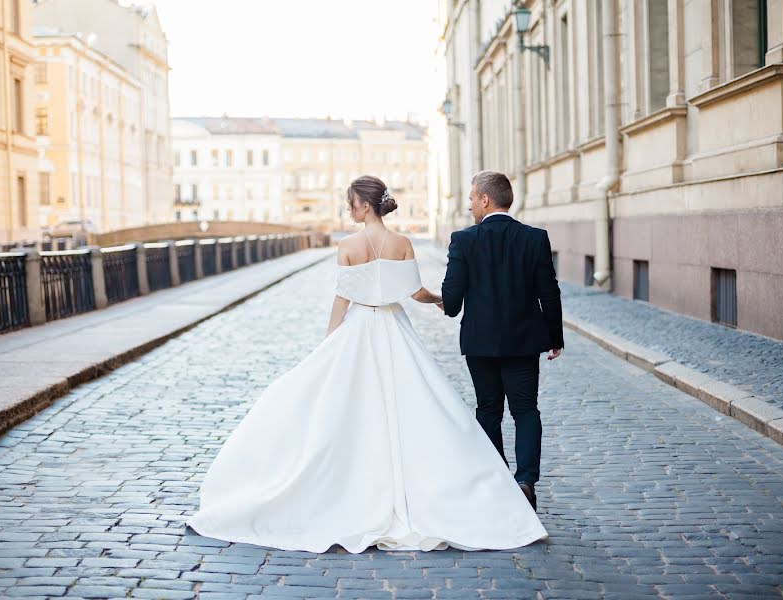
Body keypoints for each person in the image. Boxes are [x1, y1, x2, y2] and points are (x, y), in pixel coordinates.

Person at [186, 175, 548, 553]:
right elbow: (414, 292)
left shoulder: (347, 246)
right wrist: (439, 299)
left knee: (351, 410)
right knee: (416, 408)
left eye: (350, 204)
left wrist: (329, 344)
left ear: (363, 206)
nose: (348, 210)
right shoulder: (401, 243)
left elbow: (341, 300)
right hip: (394, 330)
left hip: (359, 330)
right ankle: (486, 486)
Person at [441, 170, 564, 513]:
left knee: (488, 410)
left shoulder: (463, 241)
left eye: (470, 198)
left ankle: (497, 481)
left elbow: (452, 301)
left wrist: (446, 303)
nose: (468, 206)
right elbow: (548, 292)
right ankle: (525, 481)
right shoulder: (534, 238)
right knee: (525, 410)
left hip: (480, 342)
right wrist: (555, 337)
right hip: (524, 341)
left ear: (485, 199)